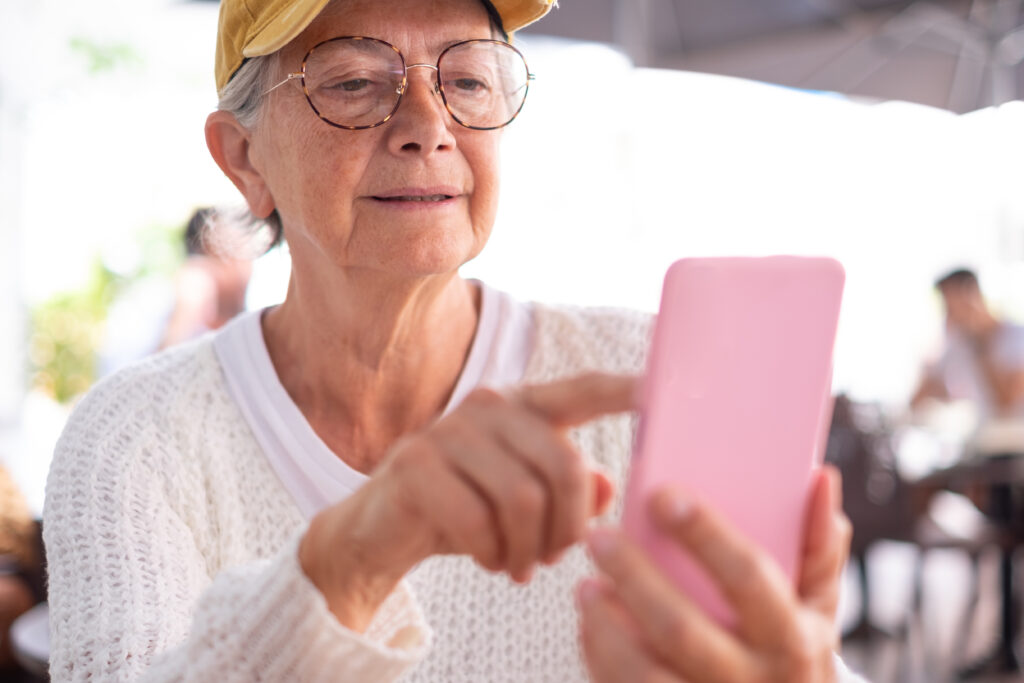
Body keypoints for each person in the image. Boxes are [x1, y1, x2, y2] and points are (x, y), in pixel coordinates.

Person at [43, 0, 857, 680]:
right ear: (244, 157)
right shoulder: (136, 436)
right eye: (356, 82)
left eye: (467, 78)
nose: (428, 126)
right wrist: (349, 563)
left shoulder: (647, 380)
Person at [911, 267, 1024, 421]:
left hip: (1014, 441)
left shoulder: (1017, 336)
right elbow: (917, 400)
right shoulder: (957, 343)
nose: (948, 315)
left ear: (972, 298)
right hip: (979, 440)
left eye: (952, 306)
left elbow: (1006, 403)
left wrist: (979, 344)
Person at [157, 207, 254, 350]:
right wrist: (187, 311)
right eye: (237, 252)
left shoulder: (254, 321)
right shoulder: (159, 306)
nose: (246, 266)